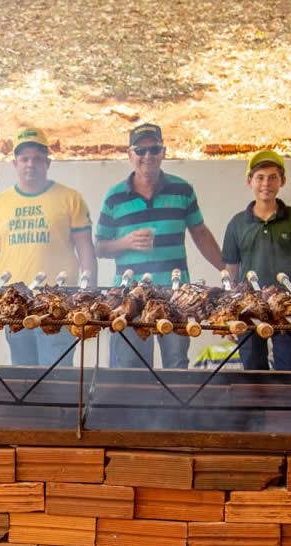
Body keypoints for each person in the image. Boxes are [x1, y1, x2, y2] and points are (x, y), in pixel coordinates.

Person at [95, 123, 225, 370]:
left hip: (175, 294)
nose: (148, 156)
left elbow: (200, 233)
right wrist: (126, 242)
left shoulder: (182, 190)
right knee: (130, 365)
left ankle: (175, 399)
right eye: (140, 150)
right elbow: (100, 247)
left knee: (176, 363)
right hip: (129, 295)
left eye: (154, 149)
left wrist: (226, 270)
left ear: (163, 152)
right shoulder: (114, 196)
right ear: (130, 154)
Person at [0, 128, 96, 367]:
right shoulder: (1, 202)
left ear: (48, 162)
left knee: (56, 372)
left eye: (37, 158)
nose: (30, 164)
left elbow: (85, 247)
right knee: (22, 374)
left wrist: (89, 291)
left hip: (58, 302)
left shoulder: (70, 198)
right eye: (24, 159)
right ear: (15, 163)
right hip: (14, 302)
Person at [223, 149, 291, 371]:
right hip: (249, 306)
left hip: (289, 304)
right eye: (260, 177)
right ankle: (257, 395)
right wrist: (230, 311)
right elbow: (231, 269)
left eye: (272, 177)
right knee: (253, 368)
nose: (266, 184)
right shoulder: (237, 223)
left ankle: (290, 395)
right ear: (249, 181)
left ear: (282, 181)